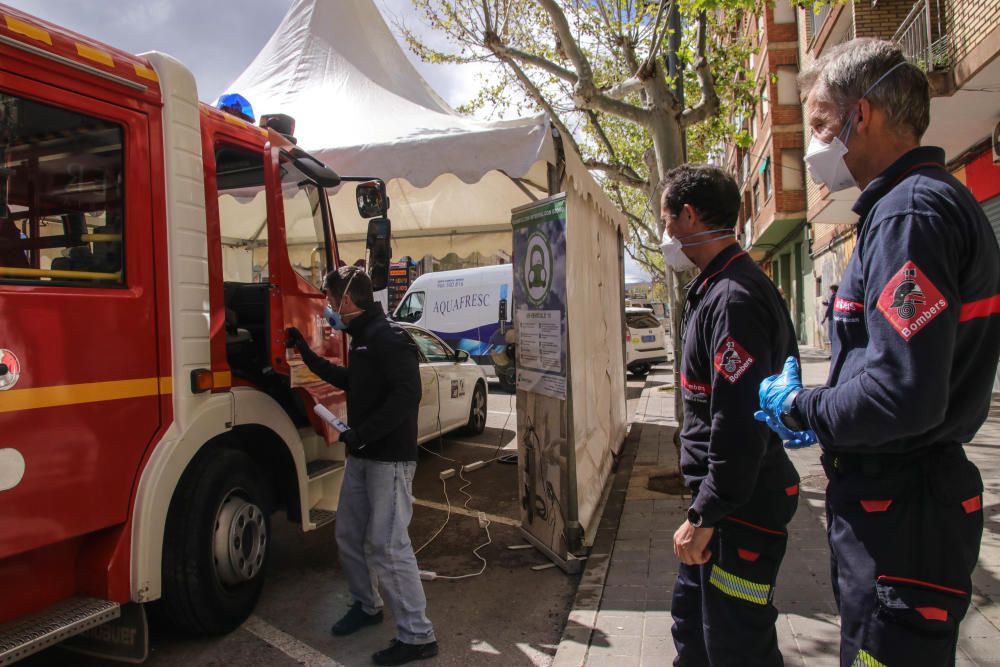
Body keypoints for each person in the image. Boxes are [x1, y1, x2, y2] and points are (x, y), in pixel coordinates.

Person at [756, 38, 1000, 667]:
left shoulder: (907, 215)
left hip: (903, 513)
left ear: (861, 116)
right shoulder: (918, 205)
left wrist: (803, 407)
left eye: (819, 125)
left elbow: (902, 395)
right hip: (902, 508)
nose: (813, 147)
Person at [660, 164, 800, 666]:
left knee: (737, 645)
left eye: (667, 219)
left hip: (740, 509)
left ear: (689, 215)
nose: (666, 234)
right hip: (724, 505)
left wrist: (705, 515)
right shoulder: (717, 288)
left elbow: (738, 425)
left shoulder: (733, 299)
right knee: (695, 631)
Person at [287, 266, 438, 666]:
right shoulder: (363, 339)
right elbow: (352, 381)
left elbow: (408, 395)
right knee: (350, 536)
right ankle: (367, 606)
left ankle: (418, 635)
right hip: (364, 455)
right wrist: (303, 352)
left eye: (330, 303)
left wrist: (364, 433)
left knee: (388, 546)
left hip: (388, 460)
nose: (329, 310)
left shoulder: (390, 338)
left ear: (347, 302)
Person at [820, 284, 838, 352]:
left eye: (831, 290)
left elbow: (830, 308)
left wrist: (824, 318)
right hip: (835, 317)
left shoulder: (834, 297)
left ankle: (833, 353)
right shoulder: (837, 296)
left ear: (833, 289)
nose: (831, 291)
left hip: (832, 318)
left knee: (831, 336)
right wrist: (826, 303)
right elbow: (831, 304)